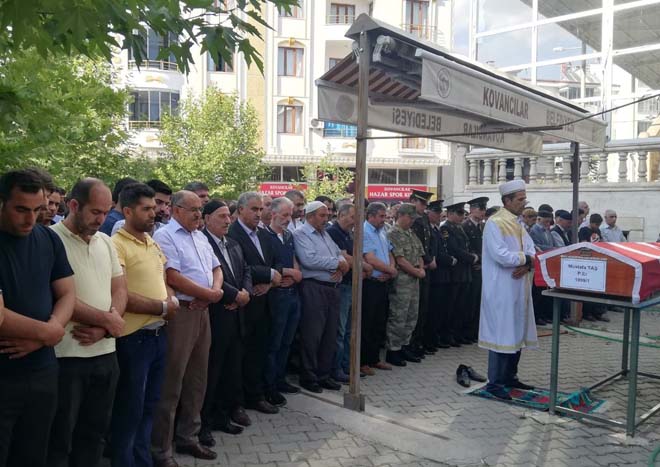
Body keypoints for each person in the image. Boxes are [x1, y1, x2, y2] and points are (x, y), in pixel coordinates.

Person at [47, 179, 127, 467]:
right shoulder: (50, 239)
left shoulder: (105, 241)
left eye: (105, 212)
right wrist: (106, 320)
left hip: (105, 354)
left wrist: (106, 327)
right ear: (73, 205)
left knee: (94, 435)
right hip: (67, 357)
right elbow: (58, 294)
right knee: (61, 438)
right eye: (95, 212)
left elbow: (120, 288)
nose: (101, 219)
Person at [0, 169, 76, 467]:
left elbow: (67, 293)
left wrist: (50, 330)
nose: (30, 219)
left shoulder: (47, 239)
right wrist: (48, 334)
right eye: (21, 209)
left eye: (37, 209)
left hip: (42, 372)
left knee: (34, 455)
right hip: (4, 375)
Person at [152, 190, 224, 466]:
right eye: (193, 209)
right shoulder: (165, 236)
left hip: (202, 311)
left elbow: (216, 268)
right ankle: (161, 448)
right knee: (172, 381)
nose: (198, 214)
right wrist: (209, 295)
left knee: (197, 378)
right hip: (181, 313)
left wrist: (213, 293)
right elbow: (172, 276)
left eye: (200, 209)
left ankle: (188, 436)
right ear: (176, 210)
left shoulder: (200, 236)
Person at [110, 183, 179, 467]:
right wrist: (163, 307)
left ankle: (143, 461)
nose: (154, 213)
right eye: (147, 208)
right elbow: (121, 294)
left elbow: (164, 282)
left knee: (150, 406)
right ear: (127, 211)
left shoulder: (152, 242)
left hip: (157, 336)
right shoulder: (116, 245)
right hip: (133, 339)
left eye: (155, 207)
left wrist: (170, 301)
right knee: (130, 411)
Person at [200, 200, 252, 445]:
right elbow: (206, 275)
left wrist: (245, 293)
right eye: (221, 216)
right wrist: (233, 296)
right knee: (211, 372)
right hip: (216, 315)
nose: (227, 220)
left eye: (228, 216)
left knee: (229, 371)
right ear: (207, 218)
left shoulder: (233, 243)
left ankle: (222, 416)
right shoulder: (202, 242)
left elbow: (246, 270)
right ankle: (204, 423)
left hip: (236, 316)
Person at [479, 180, 537, 400]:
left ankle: (510, 377)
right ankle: (494, 384)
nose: (524, 203)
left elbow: (532, 249)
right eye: (520, 199)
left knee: (516, 331)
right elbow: (501, 255)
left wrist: (528, 263)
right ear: (507, 200)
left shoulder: (519, 223)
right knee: (501, 334)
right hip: (501, 289)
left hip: (519, 287)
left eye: (524, 199)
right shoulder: (495, 223)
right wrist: (525, 260)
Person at [228, 192, 282, 415]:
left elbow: (277, 262)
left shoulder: (264, 234)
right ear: (240, 209)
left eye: (261, 209)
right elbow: (240, 266)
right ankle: (238, 401)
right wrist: (268, 274)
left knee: (259, 351)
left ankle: (256, 395)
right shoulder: (232, 233)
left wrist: (269, 282)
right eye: (254, 209)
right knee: (241, 355)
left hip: (265, 302)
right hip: (243, 306)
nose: (259, 214)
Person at [293, 201, 349, 393]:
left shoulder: (325, 233)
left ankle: (323, 375)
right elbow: (309, 260)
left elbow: (339, 254)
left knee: (329, 334)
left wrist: (340, 264)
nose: (326, 219)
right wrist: (337, 264)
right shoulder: (301, 234)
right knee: (312, 334)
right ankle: (309, 377)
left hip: (332, 288)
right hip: (314, 288)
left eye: (327, 215)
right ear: (310, 216)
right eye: (322, 215)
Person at [263, 197, 303, 400]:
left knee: (287, 341)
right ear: (273, 214)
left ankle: (280, 379)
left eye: (290, 215)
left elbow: (294, 259)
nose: (288, 219)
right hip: (276, 296)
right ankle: (269, 386)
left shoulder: (288, 236)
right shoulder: (264, 236)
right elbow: (264, 264)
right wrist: (286, 272)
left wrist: (295, 274)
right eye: (284, 215)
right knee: (274, 343)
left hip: (292, 294)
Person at [326, 202, 368, 382]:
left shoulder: (349, 234)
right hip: (342, 286)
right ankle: (336, 369)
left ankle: (347, 366)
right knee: (340, 330)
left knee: (350, 330)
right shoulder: (333, 232)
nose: (355, 221)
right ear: (341, 215)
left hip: (352, 285)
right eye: (352, 217)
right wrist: (365, 266)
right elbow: (345, 258)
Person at [385, 204, 425, 366]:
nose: (412, 221)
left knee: (411, 315)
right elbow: (400, 260)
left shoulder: (411, 233)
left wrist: (421, 268)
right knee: (398, 316)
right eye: (410, 217)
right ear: (401, 215)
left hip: (414, 280)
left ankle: (405, 346)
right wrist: (417, 272)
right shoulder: (392, 233)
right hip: (402, 281)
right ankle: (393, 350)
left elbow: (420, 254)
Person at [361, 202, 398, 375]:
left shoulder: (382, 231)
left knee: (379, 322)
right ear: (371, 216)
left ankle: (374, 358)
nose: (385, 219)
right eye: (381, 216)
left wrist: (391, 271)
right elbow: (370, 259)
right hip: (371, 283)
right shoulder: (364, 231)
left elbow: (390, 253)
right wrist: (391, 271)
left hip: (384, 281)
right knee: (367, 323)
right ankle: (363, 361)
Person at [441, 202, 477, 346]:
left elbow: (466, 247)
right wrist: (472, 258)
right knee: (452, 306)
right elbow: (454, 249)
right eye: (459, 213)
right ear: (450, 214)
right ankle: (448, 334)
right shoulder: (446, 228)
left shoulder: (459, 228)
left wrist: (473, 256)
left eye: (463, 213)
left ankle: (458, 333)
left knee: (463, 306)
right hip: (455, 273)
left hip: (464, 272)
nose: (462, 216)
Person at [409, 189, 435, 357]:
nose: (424, 207)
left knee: (423, 308)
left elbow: (429, 242)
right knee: (414, 310)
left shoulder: (423, 219)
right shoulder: (411, 220)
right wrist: (426, 260)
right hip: (416, 268)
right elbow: (416, 246)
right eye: (422, 203)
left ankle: (418, 342)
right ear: (413, 201)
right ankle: (411, 344)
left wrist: (431, 258)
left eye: (426, 204)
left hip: (425, 267)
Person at [462, 197, 489, 343]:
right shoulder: (465, 226)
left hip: (481, 268)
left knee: (478, 302)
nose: (483, 212)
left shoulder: (483, 227)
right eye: (480, 208)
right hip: (472, 268)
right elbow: (467, 249)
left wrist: (483, 261)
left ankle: (475, 331)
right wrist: (479, 259)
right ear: (472, 209)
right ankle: (467, 332)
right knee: (469, 302)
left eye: (484, 209)